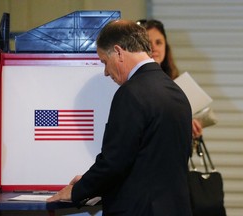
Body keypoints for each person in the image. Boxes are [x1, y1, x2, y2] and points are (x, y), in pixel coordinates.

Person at [47, 20, 193, 216]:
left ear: (118, 52)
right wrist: (95, 184)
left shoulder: (131, 93)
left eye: (104, 62)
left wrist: (76, 191)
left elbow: (114, 161)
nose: (106, 72)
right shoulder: (175, 91)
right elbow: (150, 162)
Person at [136, 19, 202, 138]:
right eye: (148, 43)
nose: (154, 48)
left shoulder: (175, 82)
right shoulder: (133, 85)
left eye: (159, 42)